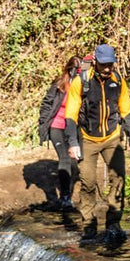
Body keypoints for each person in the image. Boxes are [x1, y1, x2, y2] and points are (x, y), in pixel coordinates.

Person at [64, 43, 130, 247]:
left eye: (110, 64)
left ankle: (113, 224)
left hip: (112, 137)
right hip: (87, 139)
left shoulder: (118, 81)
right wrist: (72, 142)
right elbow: (70, 114)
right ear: (95, 61)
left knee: (118, 179)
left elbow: (127, 110)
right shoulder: (81, 82)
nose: (107, 68)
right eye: (103, 64)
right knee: (88, 182)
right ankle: (89, 225)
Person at [38, 55, 83, 210]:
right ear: (68, 69)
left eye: (79, 71)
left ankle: (71, 192)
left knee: (75, 161)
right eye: (74, 70)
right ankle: (65, 197)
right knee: (65, 159)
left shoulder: (84, 85)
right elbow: (47, 103)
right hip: (57, 125)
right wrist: (44, 122)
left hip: (74, 127)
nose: (76, 74)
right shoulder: (59, 84)